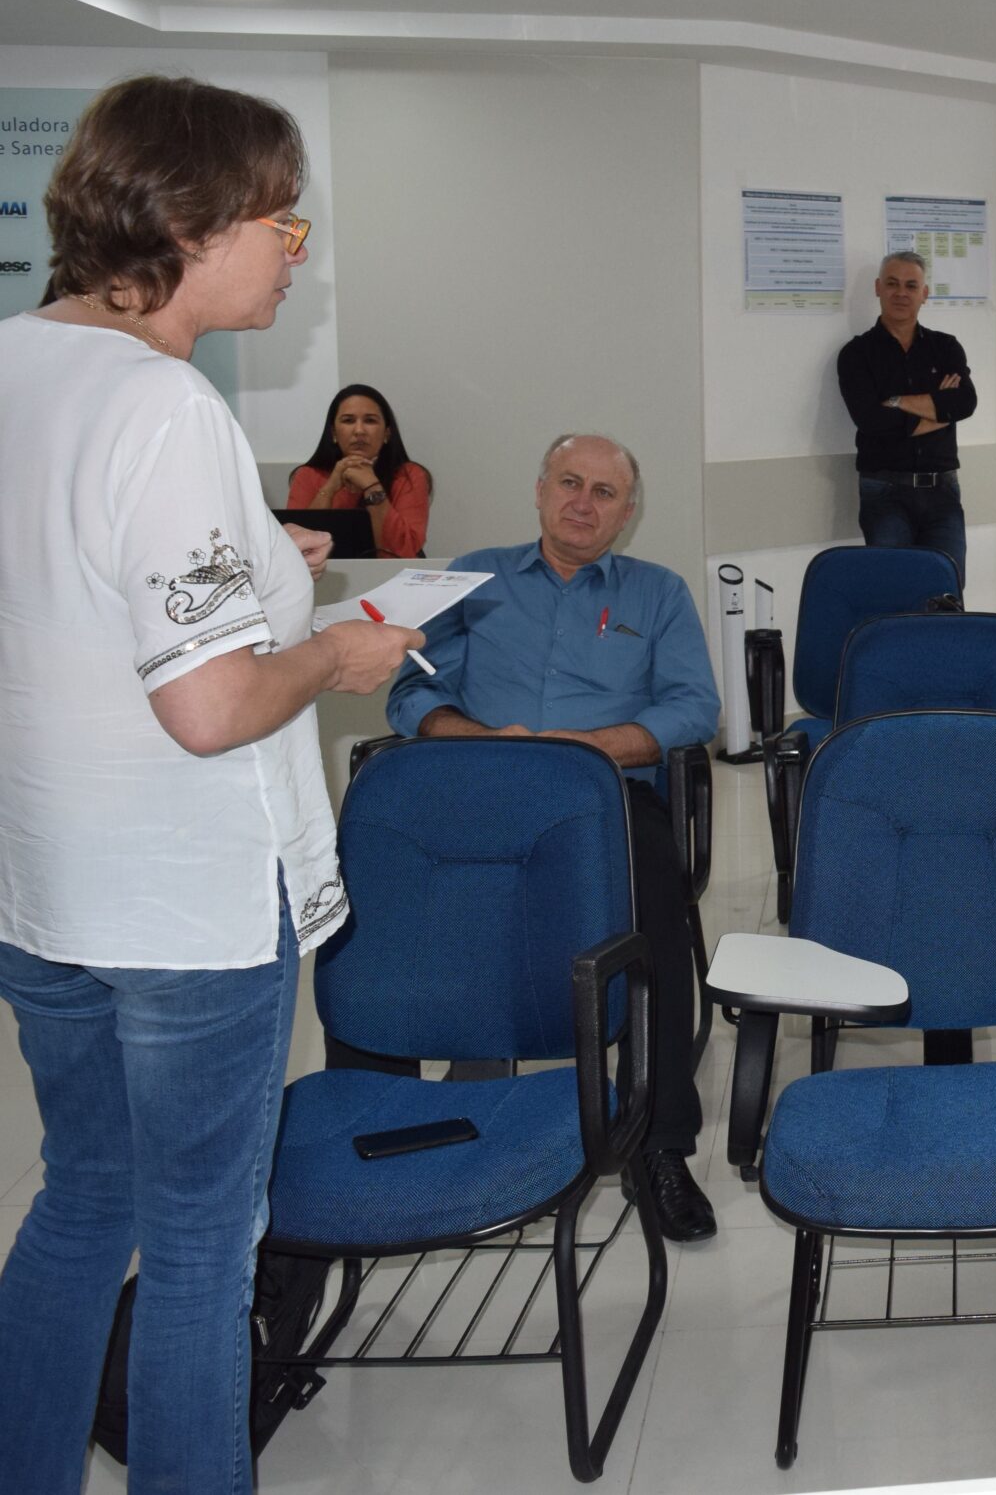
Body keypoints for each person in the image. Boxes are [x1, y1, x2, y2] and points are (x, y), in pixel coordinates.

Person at [0, 74, 421, 1495]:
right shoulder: (162, 403)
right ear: (190, 221)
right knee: (195, 1243)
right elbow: (211, 704)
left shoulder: (12, 364)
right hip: (185, 905)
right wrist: (331, 657)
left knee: (78, 1201)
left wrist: (262, 562)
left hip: (46, 892)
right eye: (280, 224)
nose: (293, 254)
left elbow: (71, 589)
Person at [386, 433, 722, 1242]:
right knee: (375, 912)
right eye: (570, 482)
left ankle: (661, 1144)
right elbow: (406, 693)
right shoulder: (470, 579)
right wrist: (472, 737)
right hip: (481, 792)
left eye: (605, 492)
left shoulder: (659, 592)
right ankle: (402, 1129)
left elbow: (693, 708)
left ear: (628, 513)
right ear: (539, 490)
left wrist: (597, 747)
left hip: (604, 797)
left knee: (659, 912)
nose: (584, 502)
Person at [837, 250, 976, 583]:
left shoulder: (945, 348)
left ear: (924, 294)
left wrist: (897, 402)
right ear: (878, 288)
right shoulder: (856, 354)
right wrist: (937, 411)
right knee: (893, 592)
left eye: (911, 285)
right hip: (884, 492)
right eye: (892, 283)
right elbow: (871, 421)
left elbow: (965, 403)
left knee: (947, 593)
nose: (901, 293)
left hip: (942, 490)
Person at [287, 382, 434, 556]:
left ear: (387, 433)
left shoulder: (409, 475)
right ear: (334, 433)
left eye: (370, 421)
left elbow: (403, 551)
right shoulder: (308, 475)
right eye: (348, 421)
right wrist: (330, 488)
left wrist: (371, 486)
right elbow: (298, 550)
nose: (359, 430)